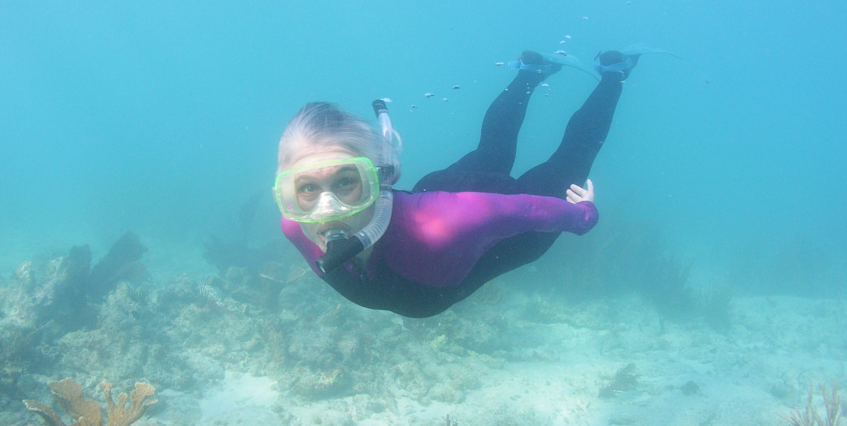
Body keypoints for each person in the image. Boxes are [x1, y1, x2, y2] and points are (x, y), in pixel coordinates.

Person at [274, 49, 643, 318]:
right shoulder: (295, 224)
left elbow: (528, 209)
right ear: (287, 193)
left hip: (502, 230)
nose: (327, 210)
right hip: (447, 190)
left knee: (571, 158)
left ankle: (613, 73)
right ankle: (531, 72)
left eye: (345, 181)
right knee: (493, 149)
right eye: (306, 188)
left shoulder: (443, 226)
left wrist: (584, 217)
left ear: (381, 178)